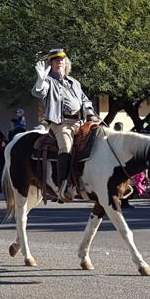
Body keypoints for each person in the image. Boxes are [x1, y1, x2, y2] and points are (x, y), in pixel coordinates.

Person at [31, 49, 97, 201]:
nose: (59, 62)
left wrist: (90, 112)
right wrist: (40, 80)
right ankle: (63, 185)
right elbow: (39, 92)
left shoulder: (74, 82)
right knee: (66, 147)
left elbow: (85, 100)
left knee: (99, 140)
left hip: (80, 121)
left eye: (62, 60)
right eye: (55, 60)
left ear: (66, 63)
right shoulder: (48, 81)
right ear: (51, 64)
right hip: (61, 123)